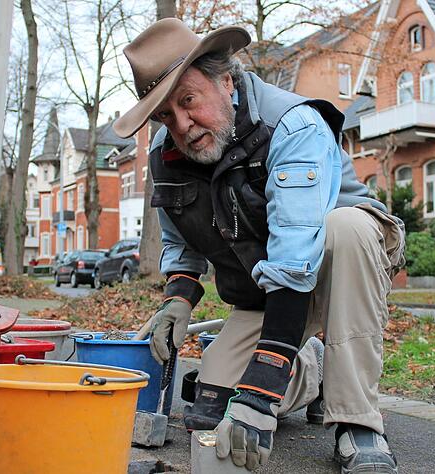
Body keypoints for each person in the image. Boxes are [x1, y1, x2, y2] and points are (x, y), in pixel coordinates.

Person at [114, 19, 405, 474]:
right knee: (214, 404)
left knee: (348, 227)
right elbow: (180, 239)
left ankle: (358, 421)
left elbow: (295, 253)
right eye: (166, 115)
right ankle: (313, 372)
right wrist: (178, 298)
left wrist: (262, 389)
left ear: (225, 80)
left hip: (340, 267)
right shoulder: (164, 153)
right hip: (265, 290)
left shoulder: (292, 124)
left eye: (188, 101)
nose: (182, 125)